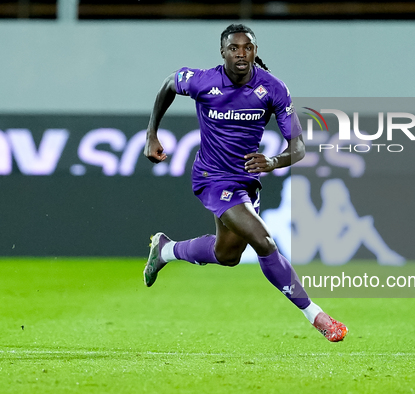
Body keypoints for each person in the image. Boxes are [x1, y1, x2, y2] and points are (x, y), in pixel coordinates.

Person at [142, 24, 347, 342]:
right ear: (222, 52)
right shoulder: (203, 81)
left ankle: (166, 250)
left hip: (245, 182)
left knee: (227, 255)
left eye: (247, 47)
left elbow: (299, 146)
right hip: (212, 178)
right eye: (234, 48)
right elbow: (170, 83)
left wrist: (275, 161)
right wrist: (151, 133)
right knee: (263, 240)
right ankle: (316, 315)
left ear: (255, 51)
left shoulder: (273, 89)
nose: (241, 53)